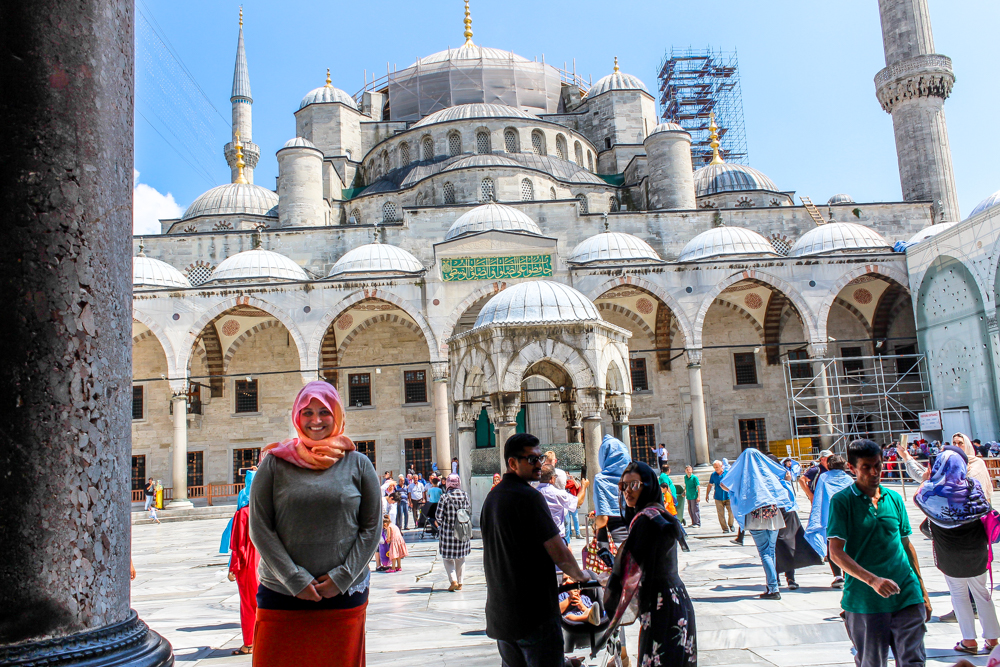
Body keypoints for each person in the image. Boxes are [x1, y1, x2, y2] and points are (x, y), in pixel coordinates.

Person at [249, 381, 380, 667]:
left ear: (337, 415)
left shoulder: (358, 464)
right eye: (307, 412)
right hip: (282, 595)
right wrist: (294, 579)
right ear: (297, 416)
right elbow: (259, 527)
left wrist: (343, 577)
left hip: (342, 596)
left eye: (324, 411)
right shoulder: (273, 464)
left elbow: (372, 528)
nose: (316, 420)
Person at [481, 433, 589, 667]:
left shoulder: (492, 498)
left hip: (502, 615)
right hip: (533, 615)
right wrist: (581, 575)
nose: (539, 464)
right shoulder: (529, 497)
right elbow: (558, 550)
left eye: (540, 458)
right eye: (531, 460)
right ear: (512, 463)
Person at [828, 438, 931, 667]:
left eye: (878, 465)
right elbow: (835, 552)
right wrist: (872, 580)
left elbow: (906, 545)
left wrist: (922, 591)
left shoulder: (894, 498)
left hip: (907, 594)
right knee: (872, 662)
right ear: (852, 469)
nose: (874, 472)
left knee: (913, 660)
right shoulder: (842, 502)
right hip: (865, 600)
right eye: (866, 467)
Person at [605, 461, 696, 666]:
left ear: (648, 485)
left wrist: (609, 580)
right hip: (676, 599)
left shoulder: (646, 520)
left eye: (634, 485)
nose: (627, 491)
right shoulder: (658, 513)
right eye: (623, 486)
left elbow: (630, 568)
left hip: (660, 605)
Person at [914, 445, 996, 654]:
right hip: (976, 549)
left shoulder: (929, 491)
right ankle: (993, 640)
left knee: (958, 594)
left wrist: (926, 479)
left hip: (948, 552)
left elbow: (917, 498)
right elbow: (984, 508)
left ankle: (969, 640)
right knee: (982, 593)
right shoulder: (973, 486)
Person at [721, 448, 796, 599]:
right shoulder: (766, 469)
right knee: (771, 551)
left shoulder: (743, 472)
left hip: (756, 515)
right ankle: (771, 585)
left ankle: (774, 588)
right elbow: (785, 477)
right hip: (774, 514)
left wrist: (738, 490)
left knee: (764, 552)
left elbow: (724, 484)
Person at [768, 454, 823, 591]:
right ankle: (789, 579)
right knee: (789, 544)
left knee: (775, 546)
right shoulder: (783, 476)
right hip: (787, 513)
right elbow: (790, 496)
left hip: (773, 513)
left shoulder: (765, 477)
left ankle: (776, 578)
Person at [803, 454, 854, 589]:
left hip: (829, 517)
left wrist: (816, 517)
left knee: (832, 547)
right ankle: (848, 574)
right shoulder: (848, 479)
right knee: (847, 547)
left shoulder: (824, 478)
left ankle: (838, 576)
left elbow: (819, 497)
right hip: (847, 518)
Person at [227, 467, 259, 655]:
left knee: (248, 604)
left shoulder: (243, 514)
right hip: (268, 564)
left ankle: (249, 644)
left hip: (249, 566)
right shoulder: (268, 510)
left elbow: (239, 545)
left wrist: (233, 567)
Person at [594, 435, 633, 552]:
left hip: (613, 540)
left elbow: (603, 519)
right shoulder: (634, 476)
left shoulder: (601, 479)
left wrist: (594, 525)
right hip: (635, 536)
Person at [537, 464, 588, 544]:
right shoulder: (558, 494)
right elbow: (578, 502)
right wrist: (584, 486)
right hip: (556, 540)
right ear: (552, 478)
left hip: (538, 539)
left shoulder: (531, 494)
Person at [437, 473, 472, 591]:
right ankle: (460, 582)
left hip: (448, 532)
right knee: (461, 557)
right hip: (462, 531)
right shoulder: (465, 495)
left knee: (448, 558)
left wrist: (443, 524)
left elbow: (438, 516)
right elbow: (468, 511)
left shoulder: (444, 497)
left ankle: (453, 581)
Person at [706, 460, 734, 533]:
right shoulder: (713, 475)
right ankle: (725, 528)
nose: (716, 469)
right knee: (720, 514)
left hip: (728, 496)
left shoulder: (727, 473)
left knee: (731, 512)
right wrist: (707, 494)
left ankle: (731, 524)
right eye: (715, 467)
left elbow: (732, 483)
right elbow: (710, 485)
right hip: (718, 497)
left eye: (717, 467)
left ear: (721, 466)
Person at [565, 475, 583, 539]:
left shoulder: (572, 483)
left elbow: (578, 486)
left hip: (573, 503)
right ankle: (569, 534)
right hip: (566, 504)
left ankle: (578, 534)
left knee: (576, 519)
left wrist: (572, 479)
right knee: (568, 520)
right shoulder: (563, 484)